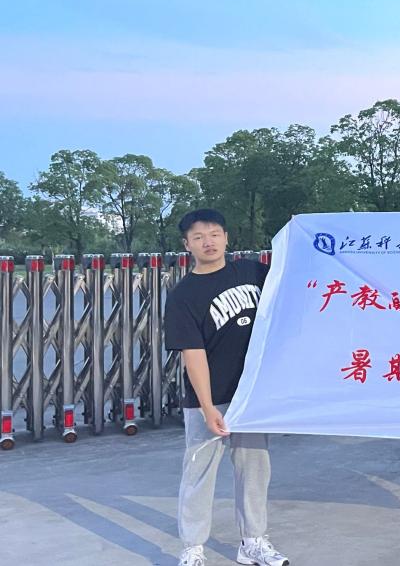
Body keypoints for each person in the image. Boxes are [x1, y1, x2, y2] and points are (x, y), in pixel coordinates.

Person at [164, 209, 289, 566]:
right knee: (199, 473)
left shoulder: (252, 272)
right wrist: (207, 408)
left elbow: (294, 285)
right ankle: (193, 547)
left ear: (226, 238)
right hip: (209, 399)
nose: (209, 242)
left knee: (255, 469)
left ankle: (253, 542)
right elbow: (193, 355)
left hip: (251, 396)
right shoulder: (184, 296)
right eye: (199, 237)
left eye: (215, 234)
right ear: (187, 244)